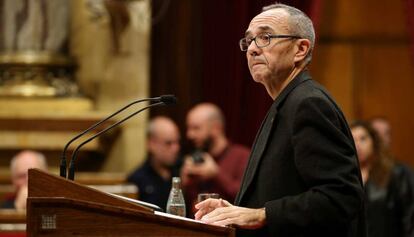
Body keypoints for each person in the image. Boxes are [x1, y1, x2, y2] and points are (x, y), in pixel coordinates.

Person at [194, 3, 366, 237]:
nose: (252, 49)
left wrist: (260, 214)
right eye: (249, 40)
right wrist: (237, 211)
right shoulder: (287, 102)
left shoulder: (308, 103)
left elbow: (340, 197)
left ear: (301, 49)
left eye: (265, 37)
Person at [180, 103, 250, 214]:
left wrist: (216, 174)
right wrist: (184, 183)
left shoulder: (242, 156)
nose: (190, 135)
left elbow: (247, 199)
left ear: (216, 128)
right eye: (188, 128)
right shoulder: (197, 159)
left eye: (196, 128)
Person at [350, 121, 414, 237]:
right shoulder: (347, 177)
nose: (358, 145)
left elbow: (409, 216)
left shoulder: (395, 172)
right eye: (353, 140)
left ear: (373, 141)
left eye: (363, 139)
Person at [127, 116, 181, 210]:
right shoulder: (137, 179)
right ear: (151, 144)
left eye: (177, 142)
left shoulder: (183, 172)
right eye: (168, 143)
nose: (176, 148)